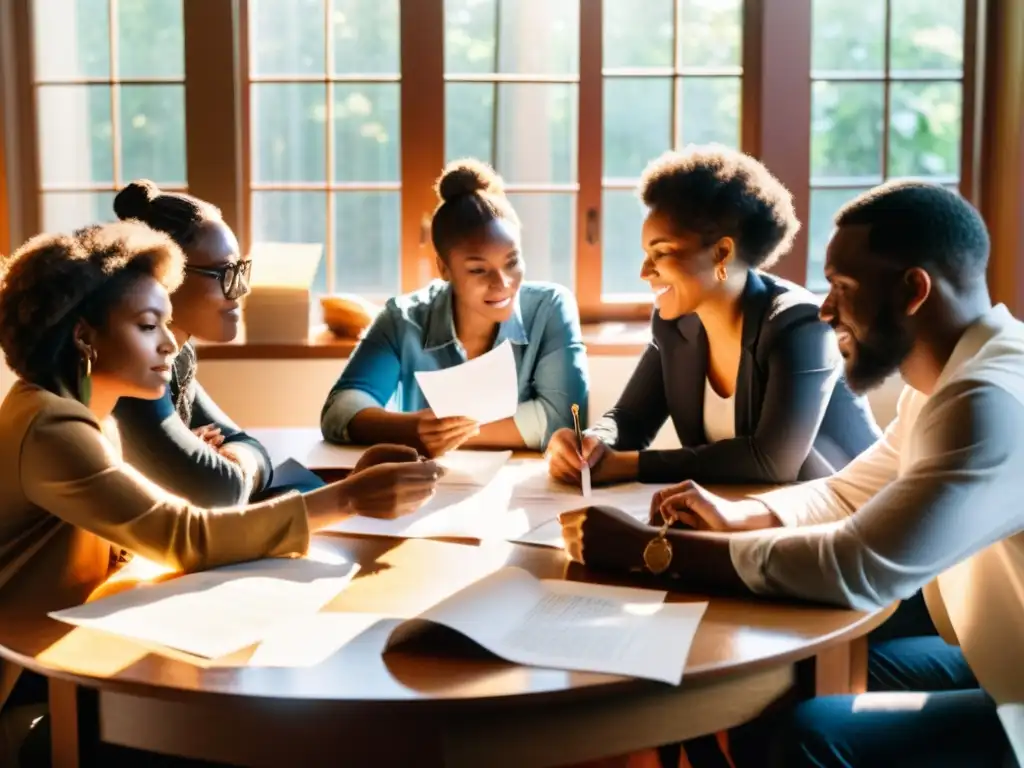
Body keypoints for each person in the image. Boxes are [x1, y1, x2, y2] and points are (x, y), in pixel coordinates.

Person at [559, 181, 1024, 767]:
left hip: (1016, 703)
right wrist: (739, 515)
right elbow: (849, 491)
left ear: (914, 290)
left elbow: (855, 568)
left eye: (843, 288)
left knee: (809, 733)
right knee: (785, 669)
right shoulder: (953, 380)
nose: (826, 308)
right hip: (993, 652)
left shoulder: (989, 402)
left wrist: (650, 551)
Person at [546, 145, 879, 489]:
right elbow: (630, 419)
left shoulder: (799, 326)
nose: (645, 272)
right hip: (747, 514)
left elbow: (772, 461)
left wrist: (629, 466)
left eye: (661, 252)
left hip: (850, 519)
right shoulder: (674, 324)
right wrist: (592, 443)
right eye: (647, 253)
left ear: (722, 252)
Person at [321, 158, 589, 456]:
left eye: (512, 262)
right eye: (478, 270)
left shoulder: (550, 308)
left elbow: (565, 423)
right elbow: (340, 409)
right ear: (444, 268)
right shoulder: (403, 318)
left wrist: (442, 435)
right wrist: (407, 429)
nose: (502, 283)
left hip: (526, 492)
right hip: (428, 489)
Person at [110, 180, 297, 508]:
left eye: (240, 270)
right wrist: (212, 468)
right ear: (163, 276)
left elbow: (247, 446)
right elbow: (216, 492)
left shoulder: (179, 355)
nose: (240, 290)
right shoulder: (130, 370)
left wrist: (226, 462)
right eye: (223, 272)